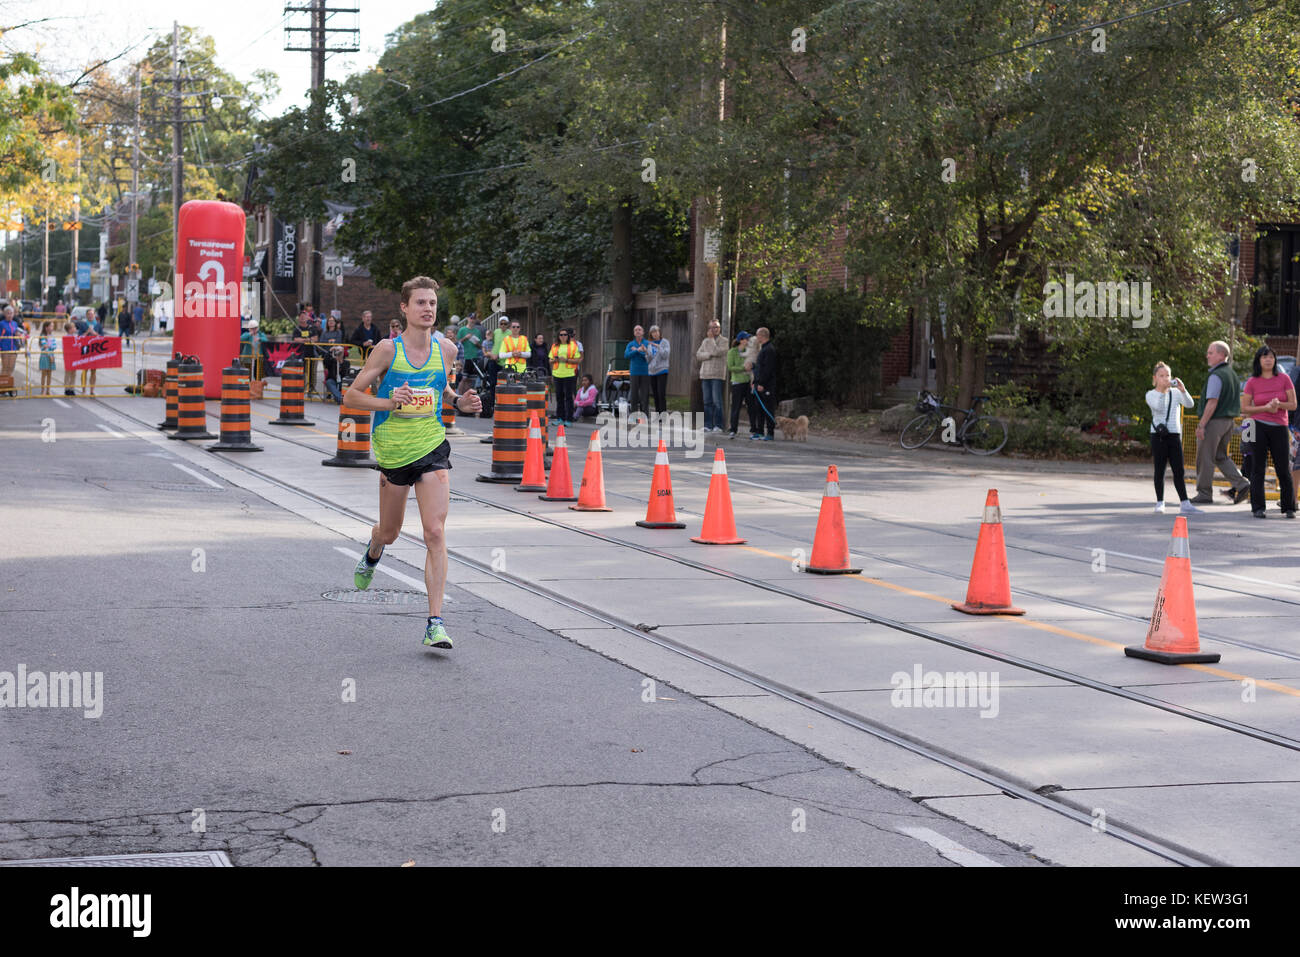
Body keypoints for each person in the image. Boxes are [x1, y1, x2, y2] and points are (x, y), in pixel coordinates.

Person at [345, 277, 481, 649]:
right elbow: (353, 395)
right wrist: (391, 402)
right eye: (420, 302)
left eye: (433, 303)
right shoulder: (388, 350)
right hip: (393, 449)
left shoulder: (447, 348)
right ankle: (375, 549)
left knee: (435, 532)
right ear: (404, 309)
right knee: (390, 531)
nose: (428, 309)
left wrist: (459, 403)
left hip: (432, 445)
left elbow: (442, 389)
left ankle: (435, 622)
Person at [1241, 345, 1297, 519]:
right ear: (1259, 360)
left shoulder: (1284, 378)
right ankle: (1258, 507)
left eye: (1271, 357)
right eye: (1264, 357)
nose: (1268, 360)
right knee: (1258, 466)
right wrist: (1265, 407)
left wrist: (1278, 405)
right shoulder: (1252, 382)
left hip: (1279, 426)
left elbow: (1293, 404)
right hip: (1258, 426)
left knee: (1282, 467)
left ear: (1275, 360)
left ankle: (1289, 507)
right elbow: (1245, 408)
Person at [1192, 340, 1249, 505]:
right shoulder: (1231, 374)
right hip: (1228, 422)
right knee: (1221, 456)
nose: (1207, 356)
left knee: (1205, 457)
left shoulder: (1216, 375)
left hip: (1214, 422)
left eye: (1211, 353)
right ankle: (1242, 483)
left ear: (1222, 355)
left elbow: (1212, 402)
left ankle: (1204, 493)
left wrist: (1201, 425)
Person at [1145, 362, 1198, 514]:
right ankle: (1160, 502)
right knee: (1159, 469)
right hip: (1158, 436)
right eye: (1161, 376)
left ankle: (1185, 502)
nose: (1165, 378)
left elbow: (1189, 404)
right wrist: (1162, 391)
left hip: (1174, 434)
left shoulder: (1175, 393)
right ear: (1155, 378)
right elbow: (1159, 408)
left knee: (1178, 469)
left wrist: (1183, 390)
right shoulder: (1151, 394)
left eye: (1167, 375)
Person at [696, 320, 728, 432]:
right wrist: (708, 355)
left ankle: (718, 425)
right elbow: (698, 355)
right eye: (712, 327)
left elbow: (717, 352)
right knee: (707, 401)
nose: (715, 329)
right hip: (705, 374)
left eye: (717, 327)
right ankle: (708, 425)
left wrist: (711, 341)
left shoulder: (724, 341)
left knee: (717, 401)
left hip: (717, 374)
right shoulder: (705, 341)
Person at [726, 331, 755, 438]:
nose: (748, 341)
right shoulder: (732, 352)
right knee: (736, 407)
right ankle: (733, 429)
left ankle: (753, 430)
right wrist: (743, 368)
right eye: (746, 339)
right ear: (741, 340)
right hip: (737, 383)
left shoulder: (750, 351)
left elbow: (753, 362)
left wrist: (752, 366)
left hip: (748, 382)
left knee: (751, 406)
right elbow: (730, 367)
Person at [549, 328, 582, 421]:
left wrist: (566, 360)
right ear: (558, 336)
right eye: (561, 335)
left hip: (569, 374)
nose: (563, 337)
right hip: (557, 374)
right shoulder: (554, 346)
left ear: (568, 336)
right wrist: (554, 360)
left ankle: (569, 418)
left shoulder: (573, 346)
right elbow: (550, 360)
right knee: (559, 397)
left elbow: (578, 360)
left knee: (568, 397)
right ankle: (560, 418)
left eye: (565, 335)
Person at [751, 326, 777, 440]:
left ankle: (770, 433)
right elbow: (759, 368)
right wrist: (755, 382)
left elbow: (768, 369)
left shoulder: (769, 350)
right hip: (758, 384)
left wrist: (762, 383)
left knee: (767, 408)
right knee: (759, 408)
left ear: (762, 336)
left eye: (757, 335)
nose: (756, 337)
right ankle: (759, 431)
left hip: (766, 385)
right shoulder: (763, 349)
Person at [624, 324, 652, 414]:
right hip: (634, 372)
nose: (638, 331)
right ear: (634, 333)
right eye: (636, 330)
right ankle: (633, 416)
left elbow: (649, 357)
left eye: (639, 329)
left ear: (643, 332)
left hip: (645, 372)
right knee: (634, 395)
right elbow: (626, 355)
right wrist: (637, 350)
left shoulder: (647, 343)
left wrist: (637, 351)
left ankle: (645, 416)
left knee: (645, 395)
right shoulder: (630, 344)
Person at [646, 324, 670, 415]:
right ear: (651, 334)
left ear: (660, 332)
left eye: (656, 331)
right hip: (652, 372)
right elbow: (648, 360)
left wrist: (658, 347)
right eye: (653, 332)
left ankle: (663, 415)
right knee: (655, 395)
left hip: (662, 370)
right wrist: (646, 352)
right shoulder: (649, 344)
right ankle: (657, 415)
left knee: (661, 394)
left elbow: (665, 355)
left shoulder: (665, 342)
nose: (655, 333)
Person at [0, 304, 25, 381]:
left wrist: (18, 335)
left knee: (11, 367)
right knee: (5, 367)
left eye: (11, 313)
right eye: (8, 313)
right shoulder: (1, 324)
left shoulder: (15, 323)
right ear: (4, 314)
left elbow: (18, 333)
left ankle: (8, 385)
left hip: (13, 348)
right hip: (5, 348)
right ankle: (3, 385)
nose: (10, 315)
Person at [37, 321, 57, 395]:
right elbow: (45, 346)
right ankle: (43, 390)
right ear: (46, 327)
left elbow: (54, 346)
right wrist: (49, 354)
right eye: (51, 326)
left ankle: (48, 389)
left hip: (51, 355)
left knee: (49, 374)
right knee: (44, 374)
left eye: (53, 326)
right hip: (45, 355)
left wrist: (50, 349)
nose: (52, 328)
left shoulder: (52, 336)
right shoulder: (43, 336)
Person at [61, 321, 77, 396]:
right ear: (70, 329)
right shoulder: (66, 338)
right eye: (74, 327)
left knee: (73, 373)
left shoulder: (75, 337)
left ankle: (72, 388)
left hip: (74, 357)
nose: (75, 329)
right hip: (68, 357)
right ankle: (67, 388)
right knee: (68, 373)